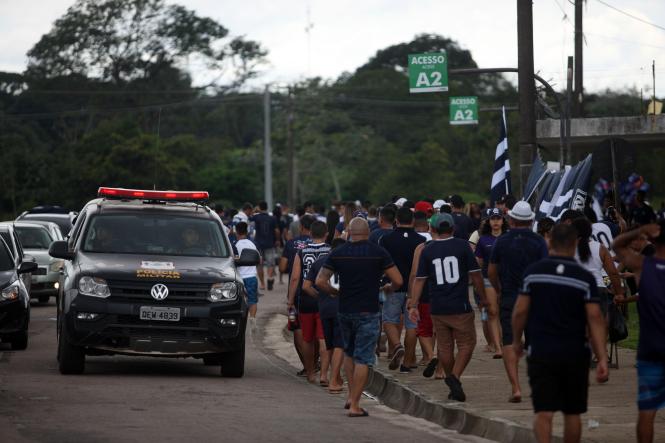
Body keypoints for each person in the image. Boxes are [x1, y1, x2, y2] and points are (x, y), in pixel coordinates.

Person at [512, 223, 608, 443]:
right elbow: (595, 318)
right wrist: (601, 356)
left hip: (541, 351)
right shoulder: (584, 278)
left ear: (550, 241)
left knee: (543, 411)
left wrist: (517, 341)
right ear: (575, 244)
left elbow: (520, 312)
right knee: (572, 412)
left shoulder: (533, 272)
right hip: (575, 352)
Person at [316, 218, 402, 418]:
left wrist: (334, 292)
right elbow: (398, 279)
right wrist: (389, 288)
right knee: (363, 357)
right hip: (368, 311)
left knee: (349, 353)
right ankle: (355, 404)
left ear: (349, 233)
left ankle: (349, 395)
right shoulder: (378, 252)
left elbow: (320, 281)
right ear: (368, 233)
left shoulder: (338, 252)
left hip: (345, 310)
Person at [409, 212, 487, 402]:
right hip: (459, 304)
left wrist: (413, 304)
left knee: (445, 347)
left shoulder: (427, 250)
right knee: (467, 344)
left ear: (433, 229)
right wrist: (483, 297)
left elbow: (419, 280)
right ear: (453, 229)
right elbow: (476, 275)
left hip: (437, 306)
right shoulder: (463, 246)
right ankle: (455, 377)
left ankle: (452, 380)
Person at [488, 201, 548, 403]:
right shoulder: (539, 242)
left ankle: (515, 387)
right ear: (531, 220)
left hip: (510, 296)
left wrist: (498, 289)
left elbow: (491, 271)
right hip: (535, 297)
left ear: (511, 220)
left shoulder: (502, 241)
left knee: (509, 340)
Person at [613, 222, 665, 443]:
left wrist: (640, 230)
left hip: (650, 350)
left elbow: (616, 246)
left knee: (647, 410)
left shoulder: (643, 266)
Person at [378, 207, 425, 373]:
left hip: (393, 286)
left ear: (396, 220)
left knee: (389, 319)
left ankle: (397, 345)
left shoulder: (386, 239)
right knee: (412, 324)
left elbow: (381, 263)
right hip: (414, 288)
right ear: (412, 221)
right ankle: (408, 361)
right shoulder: (420, 240)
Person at [287, 221, 331, 383]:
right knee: (323, 338)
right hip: (325, 298)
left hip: (305, 300)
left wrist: (290, 300)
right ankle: (325, 375)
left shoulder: (302, 252)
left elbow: (295, 278)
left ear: (310, 234)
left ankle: (311, 373)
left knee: (307, 338)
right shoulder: (331, 251)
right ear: (326, 234)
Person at [303, 238, 346, 394]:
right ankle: (333, 379)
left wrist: (320, 297)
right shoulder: (347, 262)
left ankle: (324, 375)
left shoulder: (320, 262)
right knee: (339, 345)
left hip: (324, 308)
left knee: (328, 344)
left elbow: (306, 286)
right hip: (341, 307)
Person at [279, 214, 314, 377]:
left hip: (298, 295)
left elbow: (283, 267)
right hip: (319, 293)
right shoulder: (321, 245)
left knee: (298, 330)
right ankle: (315, 365)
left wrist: (289, 300)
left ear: (301, 227)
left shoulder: (292, 244)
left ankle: (308, 367)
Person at [474, 208, 507, 358]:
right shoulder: (483, 240)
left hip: (507, 279)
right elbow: (479, 263)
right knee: (492, 312)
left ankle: (507, 343)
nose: (495, 221)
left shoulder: (508, 237)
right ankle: (498, 346)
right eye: (493, 219)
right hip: (488, 279)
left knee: (507, 312)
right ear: (488, 221)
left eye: (498, 218)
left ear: (503, 220)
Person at [234, 222, 260, 327]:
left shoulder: (235, 245)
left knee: (239, 301)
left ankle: (240, 322)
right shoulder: (252, 244)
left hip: (239, 277)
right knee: (252, 300)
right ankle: (252, 321)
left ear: (236, 232)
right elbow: (259, 259)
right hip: (251, 277)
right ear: (247, 231)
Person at [251, 201, 280, 291]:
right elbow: (277, 231)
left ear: (259, 207)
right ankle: (269, 278)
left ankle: (263, 284)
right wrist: (278, 240)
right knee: (270, 263)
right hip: (270, 243)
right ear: (267, 208)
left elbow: (249, 216)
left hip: (259, 244)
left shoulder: (256, 217)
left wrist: (255, 210)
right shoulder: (272, 218)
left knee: (259, 264)